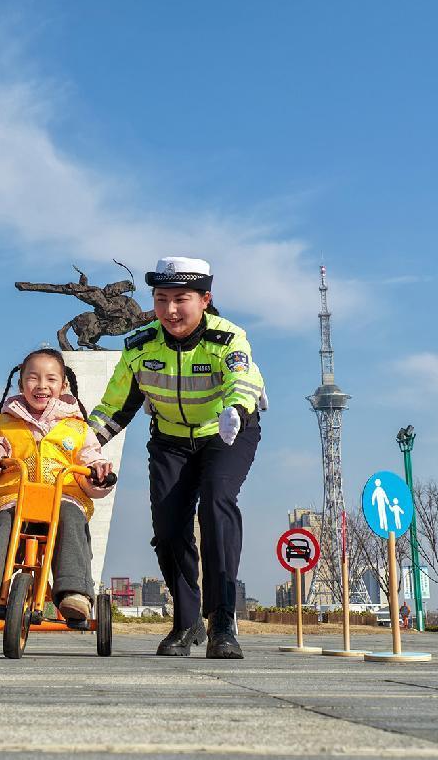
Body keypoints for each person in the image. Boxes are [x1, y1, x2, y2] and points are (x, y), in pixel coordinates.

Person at [88, 257, 264, 659]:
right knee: (168, 529)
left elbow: (243, 381)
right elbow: (114, 407)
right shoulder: (140, 346)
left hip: (226, 431)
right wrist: (84, 445)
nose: (170, 310)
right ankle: (187, 623)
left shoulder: (228, 338)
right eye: (161, 299)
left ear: (205, 300)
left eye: (181, 299)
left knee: (216, 505)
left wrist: (236, 409)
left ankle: (222, 622)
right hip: (170, 439)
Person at [0, 348, 113, 625]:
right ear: (21, 383)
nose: (41, 385)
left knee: (72, 519)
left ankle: (74, 592)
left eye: (51, 379)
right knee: (2, 523)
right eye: (33, 378)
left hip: (63, 500)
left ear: (64, 385)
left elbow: (91, 459)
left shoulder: (77, 428)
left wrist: (98, 472)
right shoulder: (2, 423)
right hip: (14, 499)